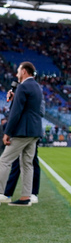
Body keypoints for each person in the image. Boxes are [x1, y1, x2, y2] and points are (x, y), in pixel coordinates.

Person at [0, 62, 44, 206]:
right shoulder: (37, 87)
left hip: (22, 131)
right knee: (27, 164)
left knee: (4, 160)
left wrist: (7, 132)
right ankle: (26, 197)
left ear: (24, 71)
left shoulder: (23, 87)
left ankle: (1, 193)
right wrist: (14, 98)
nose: (17, 74)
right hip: (34, 131)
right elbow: (28, 107)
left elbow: (16, 113)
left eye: (18, 71)